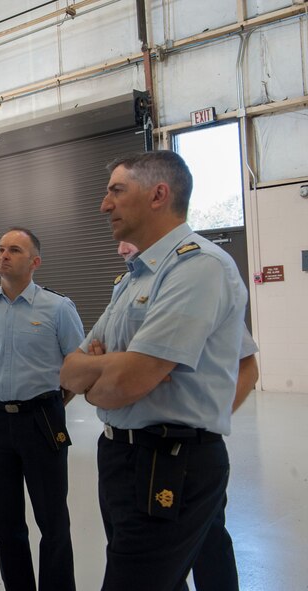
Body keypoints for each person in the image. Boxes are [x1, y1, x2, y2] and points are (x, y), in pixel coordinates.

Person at [59, 151, 248, 591]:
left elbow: (126, 382)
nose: (104, 205)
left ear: (159, 194)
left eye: (116, 191)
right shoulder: (135, 278)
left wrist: (110, 374)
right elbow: (69, 369)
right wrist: (112, 369)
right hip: (123, 457)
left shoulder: (199, 268)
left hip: (170, 461)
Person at [113, 241, 259, 590]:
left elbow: (247, 367)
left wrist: (207, 420)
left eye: (131, 241)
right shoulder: (126, 287)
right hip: (137, 451)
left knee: (209, 542)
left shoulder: (198, 284)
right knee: (153, 559)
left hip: (187, 452)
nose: (121, 249)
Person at [0, 228, 83, 591]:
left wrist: (50, 403)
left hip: (42, 419)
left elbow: (78, 367)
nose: (3, 255)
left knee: (52, 520)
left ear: (35, 262)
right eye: (1, 249)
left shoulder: (58, 308)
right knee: (6, 522)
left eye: (14, 250)